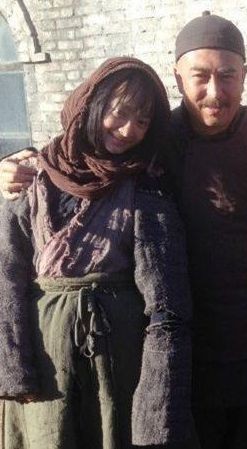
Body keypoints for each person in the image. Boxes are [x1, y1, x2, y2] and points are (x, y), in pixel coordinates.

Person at [0, 12, 247, 449]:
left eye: (227, 75)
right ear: (178, 77)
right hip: (185, 357)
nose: (215, 91)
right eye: (200, 76)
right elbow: (82, 154)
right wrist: (15, 162)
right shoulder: (155, 140)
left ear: (244, 75)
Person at [0, 57, 194, 449]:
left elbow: (167, 304)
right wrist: (14, 369)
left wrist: (156, 405)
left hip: (117, 366)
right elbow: (7, 274)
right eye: (119, 112)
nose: (128, 130)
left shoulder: (146, 187)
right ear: (91, 104)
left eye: (142, 121)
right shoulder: (31, 177)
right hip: (45, 365)